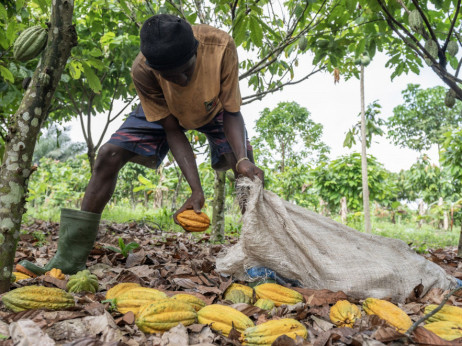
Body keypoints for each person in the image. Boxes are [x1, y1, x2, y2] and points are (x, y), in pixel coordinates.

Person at [16, 14, 264, 276]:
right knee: (108, 154)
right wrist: (195, 191)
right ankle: (68, 259)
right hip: (166, 111)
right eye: (170, 76)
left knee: (247, 175)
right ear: (156, 70)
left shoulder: (220, 47)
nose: (180, 80)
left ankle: (257, 260)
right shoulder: (143, 70)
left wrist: (241, 160)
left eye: (186, 71)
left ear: (196, 52)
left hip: (215, 109)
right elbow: (172, 129)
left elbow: (233, 112)